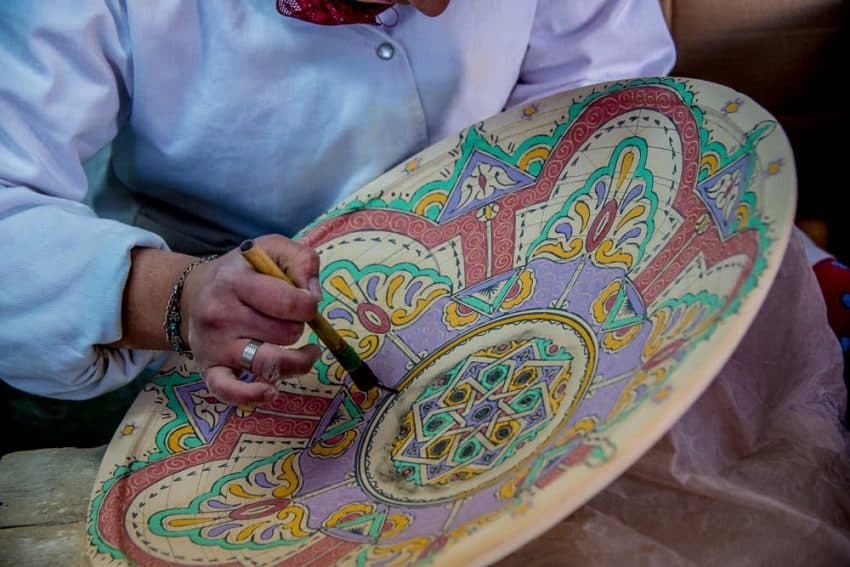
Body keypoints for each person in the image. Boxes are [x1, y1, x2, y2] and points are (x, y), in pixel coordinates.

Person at [0, 0, 677, 416]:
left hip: (505, 272)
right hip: (218, 336)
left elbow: (608, 106)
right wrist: (179, 296)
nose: (441, 12)